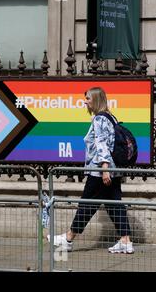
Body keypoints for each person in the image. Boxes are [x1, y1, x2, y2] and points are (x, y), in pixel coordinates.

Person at [47, 87, 134, 254]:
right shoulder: (111, 116)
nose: (85, 101)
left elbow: (102, 145)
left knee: (87, 203)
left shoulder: (100, 119)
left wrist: (104, 169)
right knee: (114, 204)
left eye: (87, 98)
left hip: (100, 170)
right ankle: (125, 241)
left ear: (95, 99)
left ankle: (68, 238)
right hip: (113, 168)